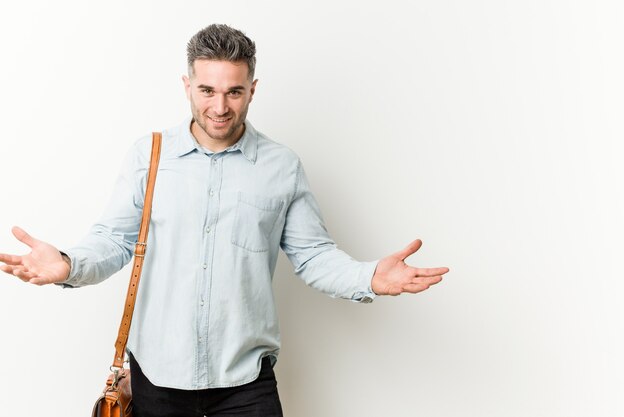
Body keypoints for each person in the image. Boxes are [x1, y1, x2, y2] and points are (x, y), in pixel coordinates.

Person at [0, 24, 449, 417]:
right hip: (157, 379)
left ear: (253, 88)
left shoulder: (281, 166)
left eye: (234, 91)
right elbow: (114, 241)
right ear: (186, 85)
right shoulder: (149, 156)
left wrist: (368, 277)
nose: (220, 106)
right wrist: (68, 263)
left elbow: (314, 257)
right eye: (207, 90)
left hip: (246, 384)